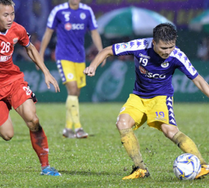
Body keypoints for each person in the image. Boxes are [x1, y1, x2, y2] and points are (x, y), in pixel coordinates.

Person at [84, 23, 209, 179]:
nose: (168, 51)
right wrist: (93, 66)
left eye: (171, 47)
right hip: (138, 96)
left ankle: (203, 165)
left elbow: (198, 80)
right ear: (154, 42)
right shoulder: (139, 46)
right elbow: (107, 50)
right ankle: (140, 169)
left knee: (169, 131)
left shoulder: (177, 55)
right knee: (122, 124)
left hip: (161, 98)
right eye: (164, 48)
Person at [0, 0, 61, 176]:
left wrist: (46, 72)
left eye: (12, 14)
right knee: (7, 135)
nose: (9, 19)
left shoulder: (17, 30)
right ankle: (0, 114)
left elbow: (30, 47)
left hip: (13, 81)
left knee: (33, 119)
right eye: (5, 15)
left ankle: (46, 166)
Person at [39, 0, 105, 139]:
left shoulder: (87, 11)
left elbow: (94, 33)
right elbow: (48, 32)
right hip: (63, 57)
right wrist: (40, 54)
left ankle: (68, 129)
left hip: (80, 58)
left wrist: (101, 53)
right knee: (73, 89)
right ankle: (78, 128)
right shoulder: (59, 11)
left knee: (75, 92)